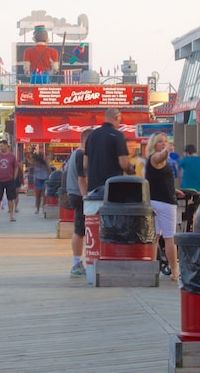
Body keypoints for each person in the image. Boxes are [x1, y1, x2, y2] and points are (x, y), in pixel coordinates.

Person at [144, 133, 179, 281]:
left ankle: (152, 268)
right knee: (170, 237)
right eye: (160, 142)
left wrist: (174, 189)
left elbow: (159, 181)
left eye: (165, 141)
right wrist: (167, 151)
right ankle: (174, 271)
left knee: (155, 237)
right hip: (165, 203)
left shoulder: (151, 161)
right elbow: (161, 157)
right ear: (153, 144)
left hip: (154, 202)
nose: (164, 144)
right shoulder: (155, 158)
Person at [85, 108, 134, 192]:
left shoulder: (91, 135)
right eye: (120, 119)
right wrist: (130, 170)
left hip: (93, 188)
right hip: (112, 187)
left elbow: (85, 164)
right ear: (116, 117)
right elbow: (124, 164)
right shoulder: (118, 135)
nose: (119, 123)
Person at [67, 128, 92, 277]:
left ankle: (78, 262)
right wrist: (86, 197)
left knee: (81, 229)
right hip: (79, 194)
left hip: (74, 193)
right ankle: (76, 264)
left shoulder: (76, 153)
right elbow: (82, 179)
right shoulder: (81, 154)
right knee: (79, 230)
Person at [0, 140, 19, 222]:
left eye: (2, 146)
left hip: (9, 180)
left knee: (10, 198)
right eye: (0, 146)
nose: (1, 148)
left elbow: (16, 167)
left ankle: (11, 216)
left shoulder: (12, 156)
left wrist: (14, 177)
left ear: (7, 146)